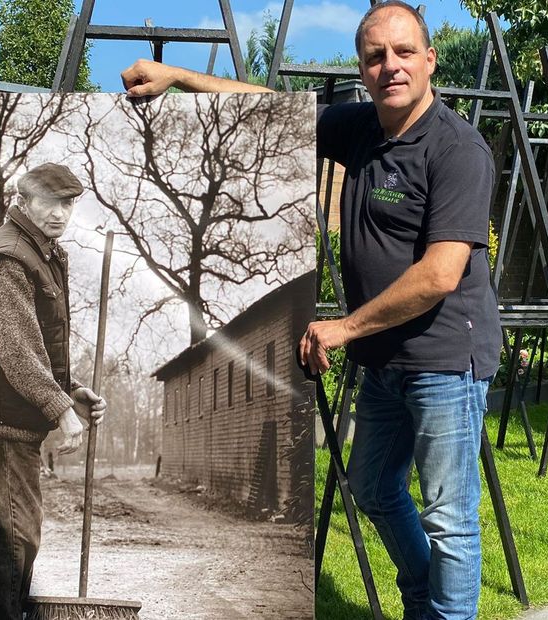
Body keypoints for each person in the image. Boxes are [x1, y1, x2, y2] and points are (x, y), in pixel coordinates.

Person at [121, 2, 501, 617]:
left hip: (443, 361)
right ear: (361, 67)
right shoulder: (362, 129)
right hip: (384, 360)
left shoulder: (457, 149)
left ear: (429, 60)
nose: (391, 66)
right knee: (375, 489)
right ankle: (426, 596)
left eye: (404, 53)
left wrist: (344, 328)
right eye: (376, 56)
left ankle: (440, 609)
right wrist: (181, 77)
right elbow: (268, 103)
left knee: (451, 520)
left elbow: (439, 275)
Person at [0, 162, 107, 619]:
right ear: (24, 200)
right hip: (1, 419)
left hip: (10, 413)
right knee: (14, 545)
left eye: (69, 203)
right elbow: (16, 352)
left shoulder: (43, 251)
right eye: (50, 202)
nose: (60, 213)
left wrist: (70, 390)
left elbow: (36, 342)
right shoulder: (10, 258)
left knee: (11, 544)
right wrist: (60, 409)